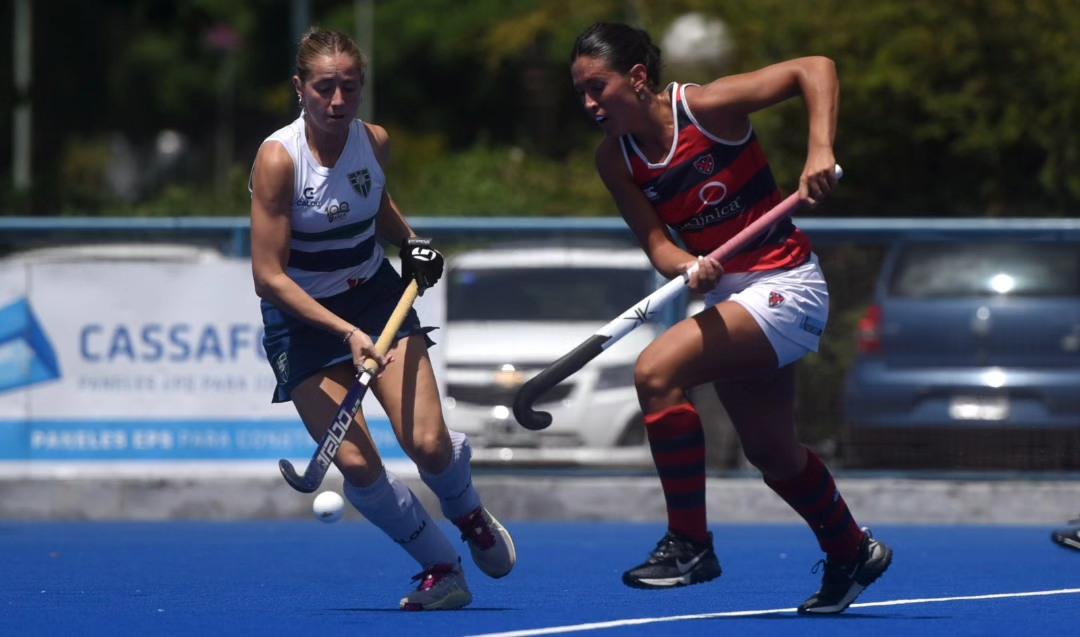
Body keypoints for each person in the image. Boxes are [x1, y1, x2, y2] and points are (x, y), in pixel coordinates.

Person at [569, 22, 891, 614]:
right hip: (732, 299)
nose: (589, 104)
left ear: (637, 79)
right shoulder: (614, 159)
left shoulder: (707, 108)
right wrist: (686, 265)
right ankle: (852, 549)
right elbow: (657, 245)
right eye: (581, 93)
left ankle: (690, 543)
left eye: (598, 87)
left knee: (655, 372)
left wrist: (820, 149)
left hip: (786, 285)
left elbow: (814, 65)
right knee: (772, 453)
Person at [249, 27, 515, 611]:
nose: (338, 101)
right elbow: (268, 275)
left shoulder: (374, 140)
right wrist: (345, 333)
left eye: (350, 87)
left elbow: (377, 203)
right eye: (324, 88)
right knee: (356, 462)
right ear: (300, 88)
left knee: (426, 444)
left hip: (375, 298)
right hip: (302, 318)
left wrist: (410, 241)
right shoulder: (278, 159)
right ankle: (441, 568)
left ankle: (468, 512)